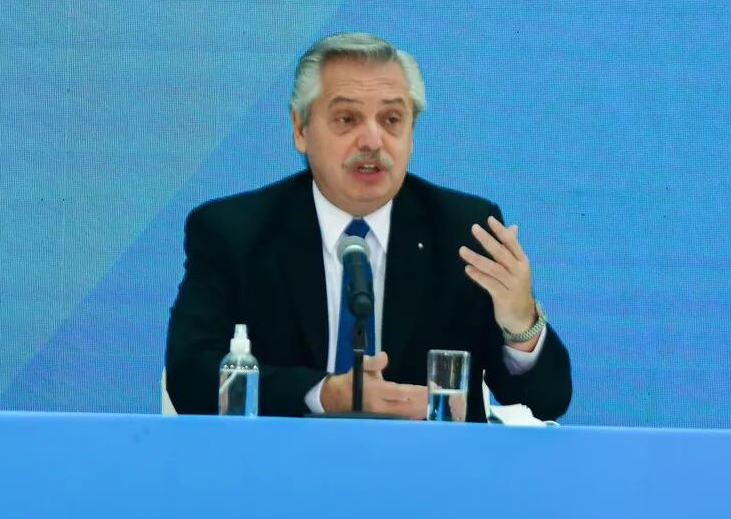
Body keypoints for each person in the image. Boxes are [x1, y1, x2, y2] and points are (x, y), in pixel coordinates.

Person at [165, 32, 571, 421]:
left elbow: (545, 401)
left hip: (432, 478)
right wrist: (323, 394)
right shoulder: (233, 232)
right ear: (301, 129)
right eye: (347, 118)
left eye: (392, 119)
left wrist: (521, 325)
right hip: (282, 477)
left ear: (412, 132)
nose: (373, 141)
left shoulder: (464, 232)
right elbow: (191, 377)